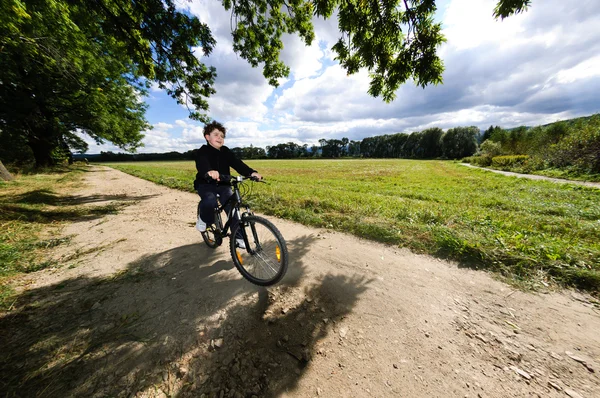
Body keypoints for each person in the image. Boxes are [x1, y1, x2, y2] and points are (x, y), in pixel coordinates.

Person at [193, 121, 262, 248]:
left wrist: (251, 172)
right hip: (206, 184)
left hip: (224, 184)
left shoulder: (225, 151)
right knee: (210, 200)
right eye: (216, 135)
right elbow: (202, 164)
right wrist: (209, 172)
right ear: (207, 137)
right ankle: (204, 219)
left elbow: (237, 163)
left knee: (233, 208)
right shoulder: (202, 151)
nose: (220, 138)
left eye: (222, 136)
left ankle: (239, 237)